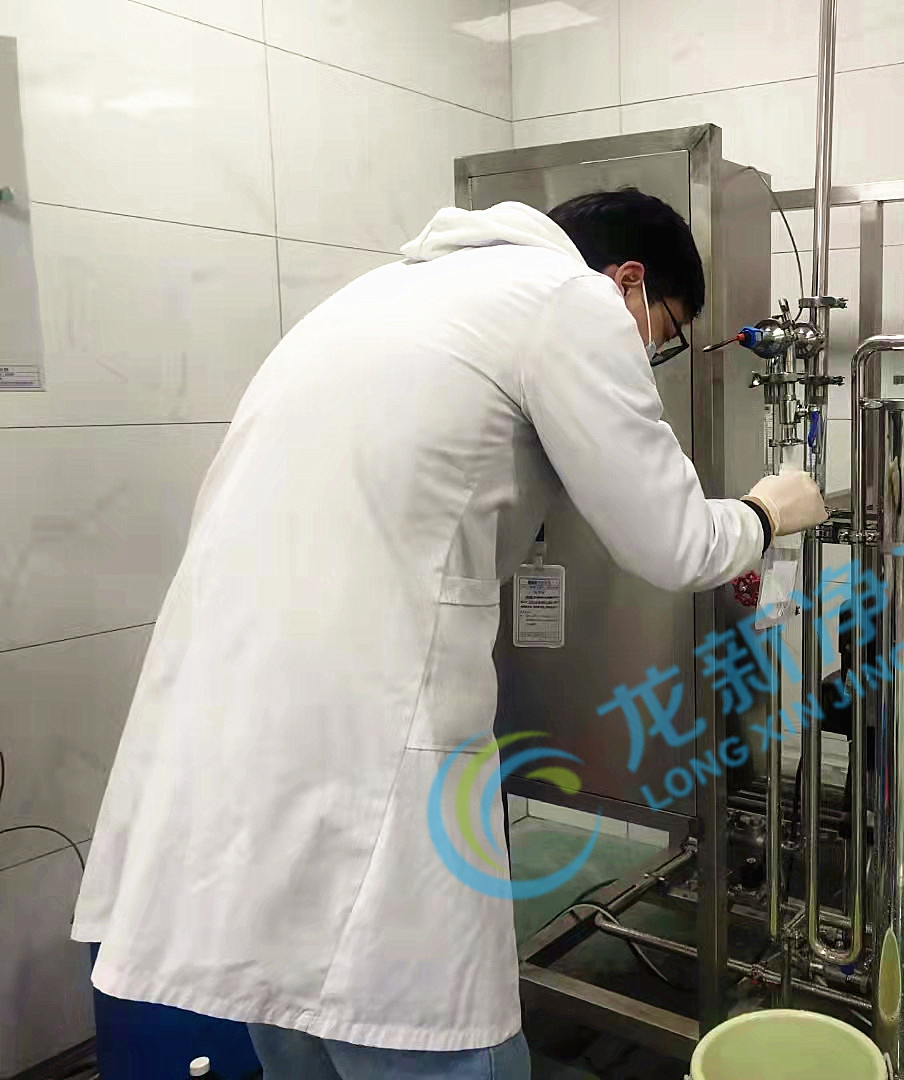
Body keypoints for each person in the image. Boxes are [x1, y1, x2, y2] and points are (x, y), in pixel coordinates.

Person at [71, 189, 826, 1080]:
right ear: (628, 281)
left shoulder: (373, 296)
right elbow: (675, 542)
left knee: (286, 1009)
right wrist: (765, 513)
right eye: (661, 335)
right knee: (434, 1040)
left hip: (227, 719)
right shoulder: (570, 299)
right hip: (371, 726)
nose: (649, 357)